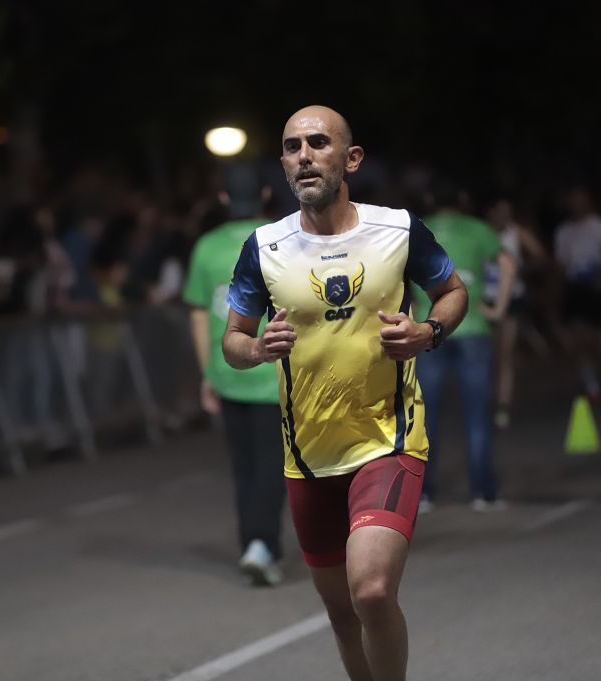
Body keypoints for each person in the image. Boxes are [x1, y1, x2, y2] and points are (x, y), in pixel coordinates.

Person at [223, 105, 467, 681]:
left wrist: (428, 331)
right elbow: (232, 339)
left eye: (317, 142)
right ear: (283, 164)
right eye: (290, 147)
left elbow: (453, 292)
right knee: (341, 614)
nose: (303, 154)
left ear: (350, 158)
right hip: (307, 456)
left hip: (389, 439)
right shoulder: (263, 246)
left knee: (373, 591)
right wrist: (258, 348)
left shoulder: (399, 230)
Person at [183, 177, 287, 586]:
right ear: (265, 194)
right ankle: (262, 544)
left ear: (223, 197)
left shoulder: (206, 246)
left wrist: (207, 371)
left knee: (243, 467)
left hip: (227, 368)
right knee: (271, 465)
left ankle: (252, 544)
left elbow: (196, 313)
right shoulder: (281, 240)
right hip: (272, 368)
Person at [412, 180, 517, 514]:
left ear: (430, 198)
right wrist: (498, 308)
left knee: (424, 417)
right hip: (472, 327)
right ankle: (482, 493)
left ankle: (424, 494)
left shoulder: (417, 229)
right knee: (476, 415)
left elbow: (400, 275)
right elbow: (508, 264)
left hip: (430, 330)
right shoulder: (478, 229)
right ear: (462, 199)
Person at [483, 197, 549, 429]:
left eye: (508, 213)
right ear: (490, 212)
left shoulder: (517, 233)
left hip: (512, 299)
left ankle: (502, 407)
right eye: (500, 213)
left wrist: (523, 269)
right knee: (489, 356)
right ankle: (488, 401)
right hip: (484, 300)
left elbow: (540, 256)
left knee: (506, 354)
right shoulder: (481, 233)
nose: (504, 218)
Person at [554, 187, 601, 399]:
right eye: (573, 200)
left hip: (599, 286)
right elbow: (561, 262)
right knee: (579, 338)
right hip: (577, 287)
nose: (577, 205)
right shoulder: (564, 231)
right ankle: (591, 384)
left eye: (581, 200)